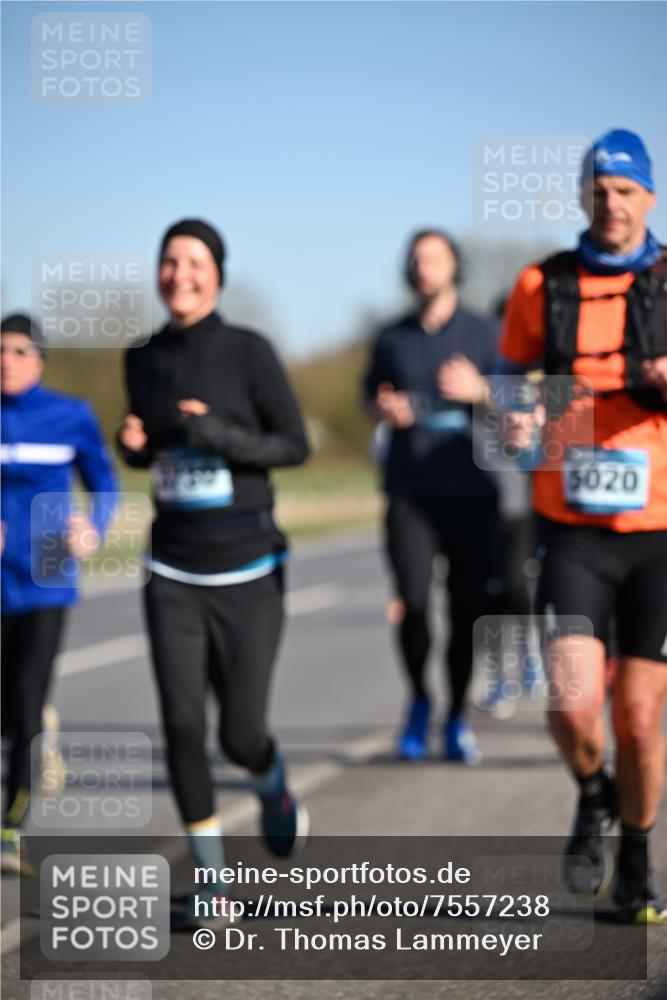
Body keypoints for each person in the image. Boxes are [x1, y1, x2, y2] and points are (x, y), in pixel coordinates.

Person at [117, 219, 310, 927]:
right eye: (169, 261)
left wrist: (218, 435)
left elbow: (294, 445)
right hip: (171, 565)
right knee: (178, 723)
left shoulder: (249, 352)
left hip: (249, 568)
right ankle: (213, 883)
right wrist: (129, 443)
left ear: (217, 274)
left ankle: (271, 778)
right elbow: (147, 447)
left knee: (238, 733)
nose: (179, 274)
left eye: (194, 262)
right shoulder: (141, 357)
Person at [498, 129, 667, 924]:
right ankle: (592, 797)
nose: (611, 204)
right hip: (569, 524)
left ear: (649, 200)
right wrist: (518, 414)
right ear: (581, 197)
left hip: (659, 530)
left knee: (635, 719)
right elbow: (506, 389)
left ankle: (634, 861)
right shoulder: (542, 283)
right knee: (571, 707)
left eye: (625, 190)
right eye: (598, 190)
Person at [363, 229, 502, 764]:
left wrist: (481, 391)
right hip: (409, 492)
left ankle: (458, 715)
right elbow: (369, 395)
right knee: (414, 604)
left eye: (435, 258)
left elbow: (526, 404)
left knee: (467, 610)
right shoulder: (390, 336)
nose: (424, 267)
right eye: (416, 259)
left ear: (454, 267)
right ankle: (420, 698)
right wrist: (383, 409)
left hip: (472, 491)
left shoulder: (486, 332)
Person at [1, 313, 118, 873]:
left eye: (20, 350)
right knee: (9, 707)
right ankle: (35, 735)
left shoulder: (70, 416)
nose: (7, 360)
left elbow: (105, 480)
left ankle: (9, 830)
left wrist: (92, 525)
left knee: (23, 698)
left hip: (47, 574)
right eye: (0, 350)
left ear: (40, 359)